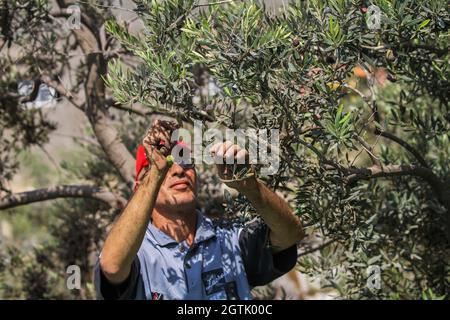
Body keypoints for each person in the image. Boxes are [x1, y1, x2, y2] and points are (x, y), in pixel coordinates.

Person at [94, 119, 304, 300]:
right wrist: (156, 172)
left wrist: (250, 186)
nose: (178, 170)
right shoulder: (138, 254)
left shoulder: (229, 238)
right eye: (167, 163)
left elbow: (290, 235)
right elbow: (112, 266)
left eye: (185, 160)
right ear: (141, 185)